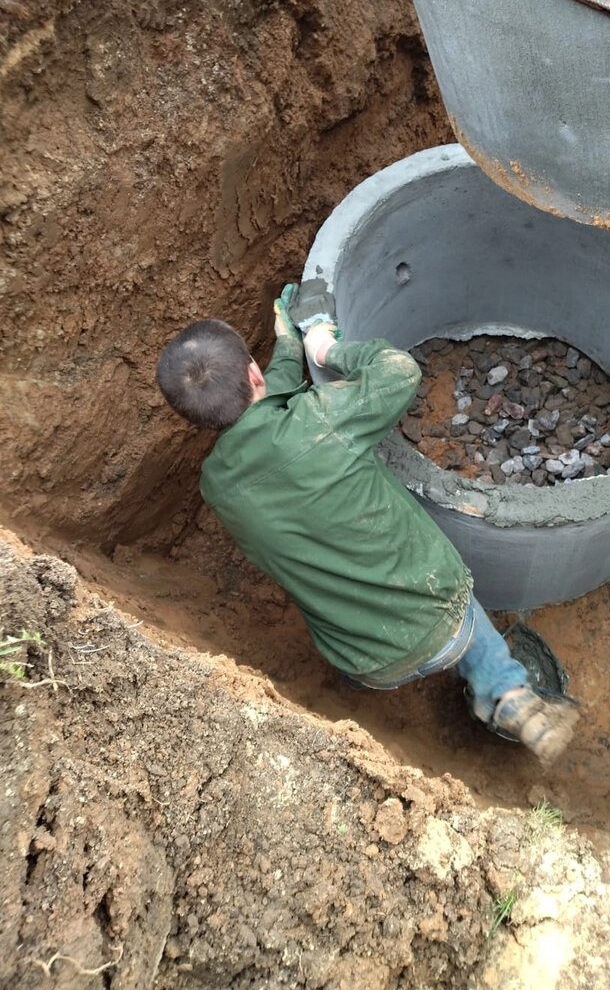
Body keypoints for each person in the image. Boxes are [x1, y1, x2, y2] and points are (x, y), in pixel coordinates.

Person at [155, 285, 579, 764]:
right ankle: (507, 693)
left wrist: (288, 347)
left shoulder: (216, 486)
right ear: (254, 372)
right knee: (466, 618)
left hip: (364, 661)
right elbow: (398, 371)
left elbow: (259, 417)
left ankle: (411, 677)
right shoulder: (323, 419)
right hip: (443, 625)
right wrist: (324, 346)